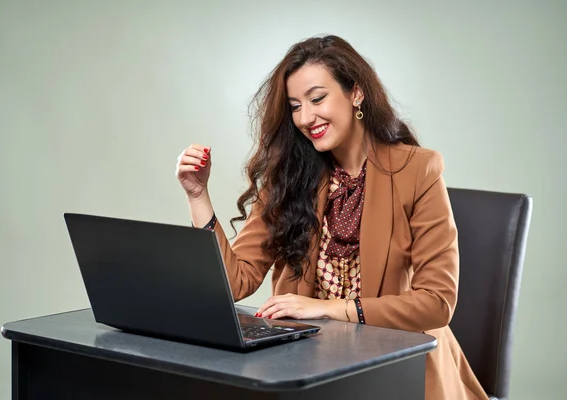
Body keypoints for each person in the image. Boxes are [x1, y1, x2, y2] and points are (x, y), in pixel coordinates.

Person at [175, 35, 488, 400]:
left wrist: (330, 309)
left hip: (398, 370)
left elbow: (437, 303)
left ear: (356, 93)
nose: (306, 118)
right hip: (308, 368)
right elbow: (236, 283)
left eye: (317, 98)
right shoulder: (290, 176)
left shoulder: (418, 170)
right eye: (295, 106)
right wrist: (199, 197)